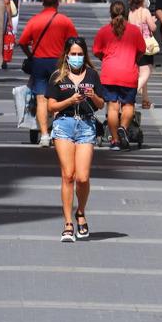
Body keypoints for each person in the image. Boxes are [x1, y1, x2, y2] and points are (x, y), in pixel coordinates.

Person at [47, 36, 105, 242]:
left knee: (82, 177)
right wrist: (70, 100)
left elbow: (101, 105)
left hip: (86, 126)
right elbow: (51, 106)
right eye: (73, 54)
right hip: (64, 124)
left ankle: (80, 211)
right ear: (66, 55)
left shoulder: (92, 75)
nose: (77, 58)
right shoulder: (58, 76)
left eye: (80, 54)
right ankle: (68, 223)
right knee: (68, 175)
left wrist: (92, 96)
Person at [18, 0, 78, 147]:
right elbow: (74, 42)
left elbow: (23, 41)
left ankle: (44, 135)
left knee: (41, 99)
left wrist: (30, 55)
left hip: (39, 62)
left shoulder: (34, 21)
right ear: (57, 3)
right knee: (59, 98)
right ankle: (57, 132)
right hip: (58, 63)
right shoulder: (65, 21)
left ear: (42, 3)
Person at [93, 2, 145, 151]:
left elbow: (97, 51)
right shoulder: (135, 31)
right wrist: (133, 58)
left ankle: (115, 141)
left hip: (109, 74)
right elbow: (142, 50)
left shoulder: (103, 31)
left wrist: (106, 59)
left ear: (111, 13)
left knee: (113, 108)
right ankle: (123, 127)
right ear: (127, 13)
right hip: (129, 73)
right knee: (128, 105)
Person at [128, 0, 158, 109]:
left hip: (134, 45)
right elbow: (153, 28)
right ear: (142, 0)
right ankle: (130, 95)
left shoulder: (131, 12)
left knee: (141, 71)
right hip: (146, 45)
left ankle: (145, 100)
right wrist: (154, 21)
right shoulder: (145, 11)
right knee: (146, 73)